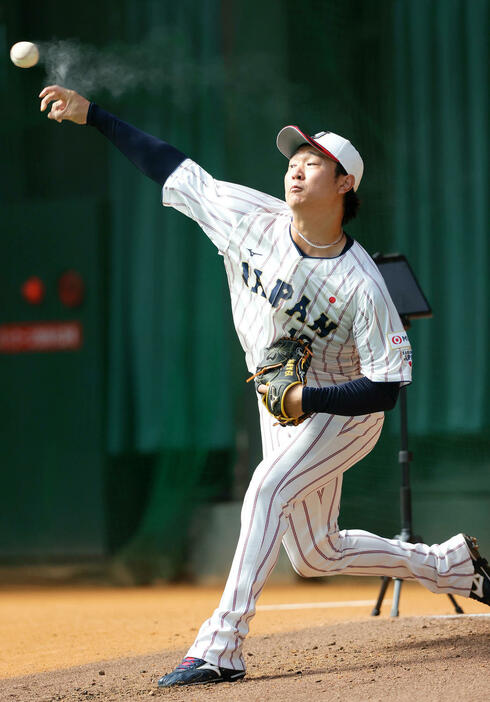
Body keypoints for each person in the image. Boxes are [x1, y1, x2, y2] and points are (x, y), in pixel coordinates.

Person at [39, 85, 490, 688]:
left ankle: (221, 645)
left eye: (314, 164)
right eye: (293, 161)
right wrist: (93, 114)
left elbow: (385, 387)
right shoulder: (250, 219)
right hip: (281, 406)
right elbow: (171, 166)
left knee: (267, 488)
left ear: (345, 186)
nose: (297, 170)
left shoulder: (362, 284)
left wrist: (312, 400)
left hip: (345, 410)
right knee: (316, 554)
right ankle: (451, 566)